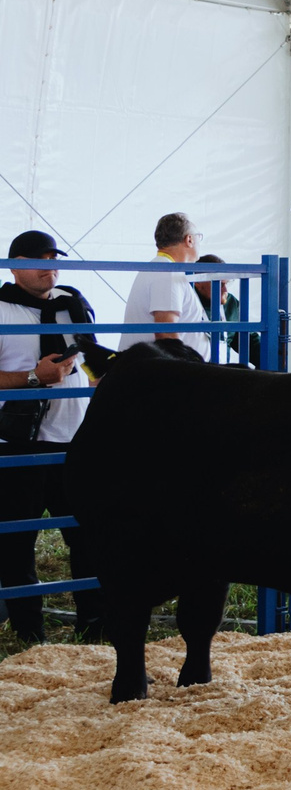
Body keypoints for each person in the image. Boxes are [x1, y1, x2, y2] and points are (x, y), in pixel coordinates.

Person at [0, 231, 106, 643]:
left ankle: (95, 629)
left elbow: (91, 355)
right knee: (16, 543)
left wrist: (98, 381)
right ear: (14, 264)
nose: (49, 266)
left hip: (75, 439)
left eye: (53, 257)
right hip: (18, 444)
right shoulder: (1, 310)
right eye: (38, 258)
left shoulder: (71, 303)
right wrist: (33, 377)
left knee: (87, 537)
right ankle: (30, 635)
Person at [118, 212, 209, 359]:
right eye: (199, 237)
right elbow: (165, 332)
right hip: (160, 373)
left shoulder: (160, 268)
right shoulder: (167, 273)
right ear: (189, 240)